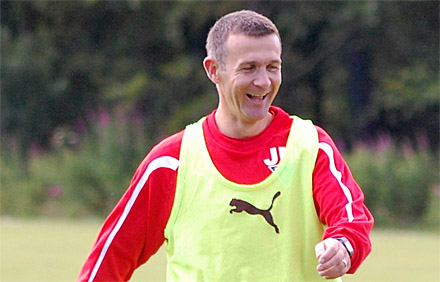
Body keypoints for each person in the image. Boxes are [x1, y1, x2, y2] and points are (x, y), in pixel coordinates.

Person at [77, 10, 373, 282]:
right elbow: (111, 257)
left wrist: (342, 246)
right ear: (213, 70)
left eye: (273, 66)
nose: (264, 81)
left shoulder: (311, 147)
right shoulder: (172, 162)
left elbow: (352, 219)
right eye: (249, 68)